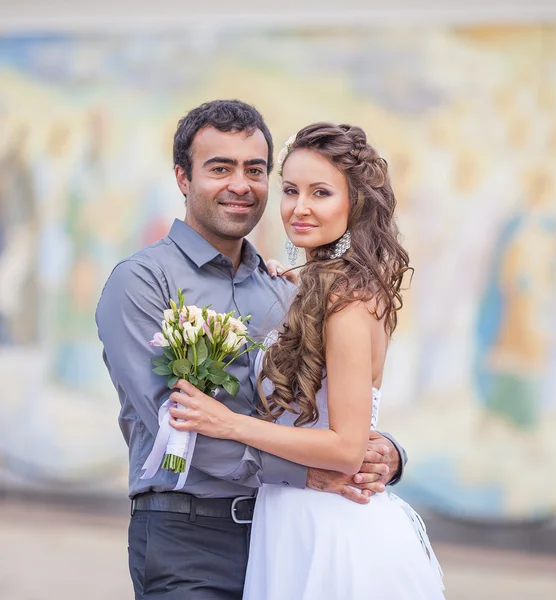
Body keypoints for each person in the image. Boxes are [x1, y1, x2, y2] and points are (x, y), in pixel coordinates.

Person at [96, 100, 406, 600]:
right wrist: (311, 472)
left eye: (255, 170)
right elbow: (172, 430)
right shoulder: (142, 282)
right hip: (189, 539)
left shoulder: (291, 292)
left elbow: (318, 409)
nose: (241, 184)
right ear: (182, 177)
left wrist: (385, 452)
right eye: (220, 168)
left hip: (282, 537)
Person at [168, 123, 445, 599]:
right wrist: (286, 287)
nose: (300, 207)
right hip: (288, 520)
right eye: (291, 190)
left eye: (321, 192)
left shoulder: (349, 303)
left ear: (354, 202)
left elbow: (345, 449)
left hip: (333, 526)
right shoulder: (312, 289)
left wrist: (229, 424)